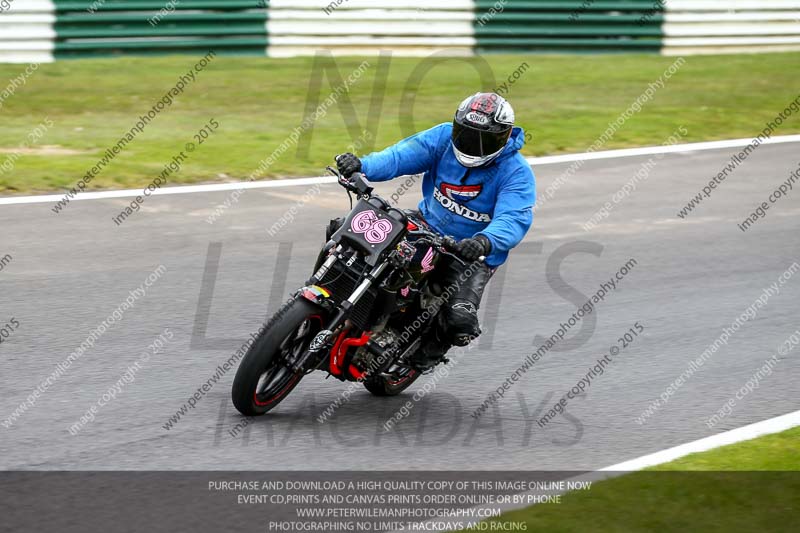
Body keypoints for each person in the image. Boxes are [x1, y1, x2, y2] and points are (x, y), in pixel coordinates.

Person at [335, 92, 536, 369]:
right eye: (466, 134)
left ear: (503, 137)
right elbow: (401, 156)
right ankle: (333, 295)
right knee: (352, 231)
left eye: (483, 139)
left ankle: (419, 359)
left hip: (472, 252)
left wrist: (484, 241)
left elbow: (513, 218)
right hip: (425, 222)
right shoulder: (442, 138)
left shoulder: (516, 173)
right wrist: (363, 166)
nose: (472, 145)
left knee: (459, 322)